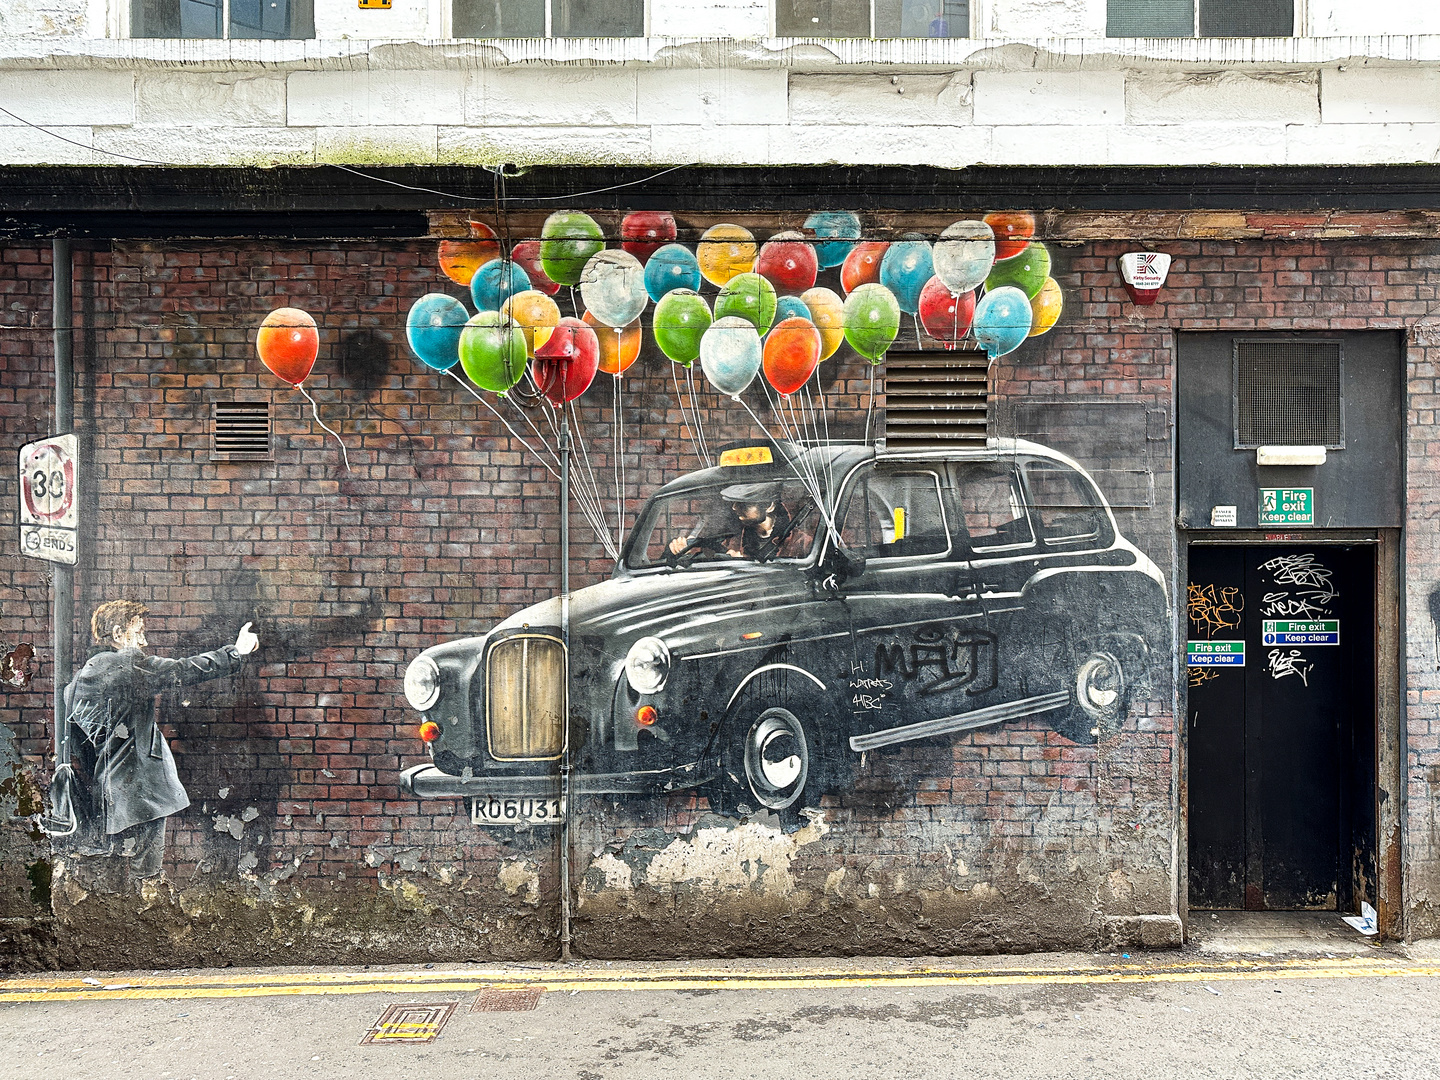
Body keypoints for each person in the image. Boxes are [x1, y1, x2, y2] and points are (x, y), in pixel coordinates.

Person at [63, 599, 258, 887]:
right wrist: (236, 652)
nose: (143, 641)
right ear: (118, 633)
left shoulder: (77, 684)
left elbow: (80, 749)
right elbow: (182, 670)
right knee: (146, 877)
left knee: (114, 877)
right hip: (141, 789)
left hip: (106, 794)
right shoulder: (127, 663)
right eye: (138, 631)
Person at [667, 482, 792, 561]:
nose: (734, 507)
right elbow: (708, 559)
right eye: (734, 502)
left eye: (745, 503)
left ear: (769, 506)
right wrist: (686, 550)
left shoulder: (799, 543)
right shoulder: (731, 541)